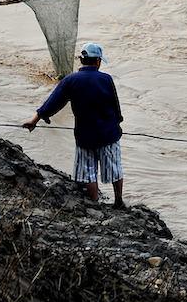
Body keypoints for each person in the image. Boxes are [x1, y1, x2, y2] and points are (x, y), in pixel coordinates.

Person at [23, 43, 125, 208]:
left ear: (82, 60)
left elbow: (54, 102)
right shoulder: (106, 79)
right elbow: (115, 105)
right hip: (108, 134)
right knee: (114, 169)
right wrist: (118, 124)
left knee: (88, 172)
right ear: (98, 61)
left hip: (84, 136)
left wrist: (35, 120)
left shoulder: (70, 80)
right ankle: (118, 201)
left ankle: (94, 204)